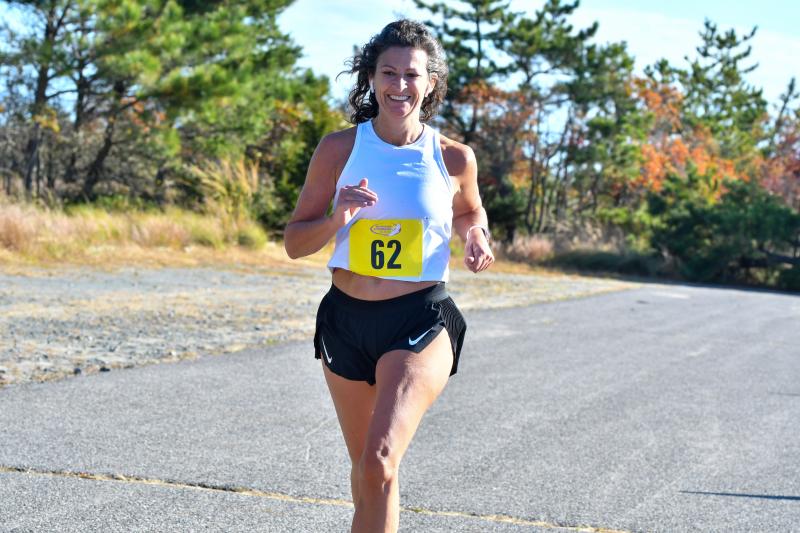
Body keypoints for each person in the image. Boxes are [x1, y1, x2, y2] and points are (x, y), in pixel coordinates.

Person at [284, 19, 494, 533]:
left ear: (431, 83)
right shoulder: (339, 149)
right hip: (345, 319)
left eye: (412, 75)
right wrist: (338, 219)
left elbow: (470, 211)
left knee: (379, 461)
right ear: (371, 78)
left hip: (418, 320)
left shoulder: (452, 156)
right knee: (369, 476)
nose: (400, 86)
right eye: (388, 73)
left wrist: (475, 235)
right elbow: (295, 243)